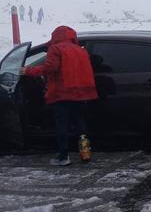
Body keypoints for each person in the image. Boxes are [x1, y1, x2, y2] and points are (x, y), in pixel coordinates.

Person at [21, 26, 98, 166]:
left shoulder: (56, 49)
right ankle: (85, 152)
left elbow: (51, 67)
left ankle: (63, 156)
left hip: (62, 93)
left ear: (56, 36)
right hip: (80, 92)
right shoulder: (80, 50)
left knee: (62, 125)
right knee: (80, 123)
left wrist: (29, 70)